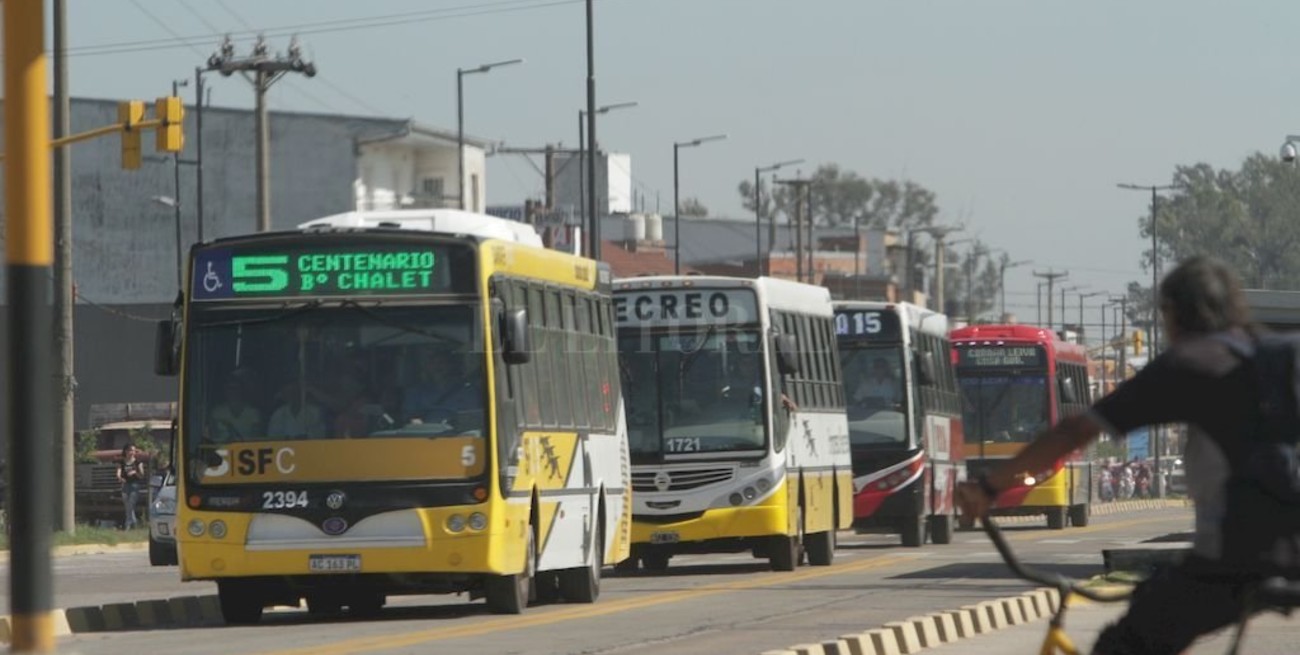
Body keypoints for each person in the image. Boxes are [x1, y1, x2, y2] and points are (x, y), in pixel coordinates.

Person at [955, 255, 1284, 655]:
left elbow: (1076, 430)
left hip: (1238, 559)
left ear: (1173, 313)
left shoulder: (1190, 363)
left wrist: (990, 486)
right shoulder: (1282, 357)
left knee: (1123, 644)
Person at [209, 374, 262, 442]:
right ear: (225, 390)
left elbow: (258, 439)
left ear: (242, 390)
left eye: (236, 388)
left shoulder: (253, 413)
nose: (233, 391)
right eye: (229, 388)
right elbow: (212, 437)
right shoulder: (216, 412)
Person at [116, 443, 147, 530]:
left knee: (131, 504)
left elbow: (142, 475)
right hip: (125, 485)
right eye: (130, 450)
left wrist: (135, 472)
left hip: (135, 485)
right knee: (127, 506)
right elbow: (118, 472)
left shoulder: (138, 462)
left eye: (134, 450)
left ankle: (127, 525)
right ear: (126, 451)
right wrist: (119, 477)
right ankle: (134, 523)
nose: (132, 452)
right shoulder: (121, 462)